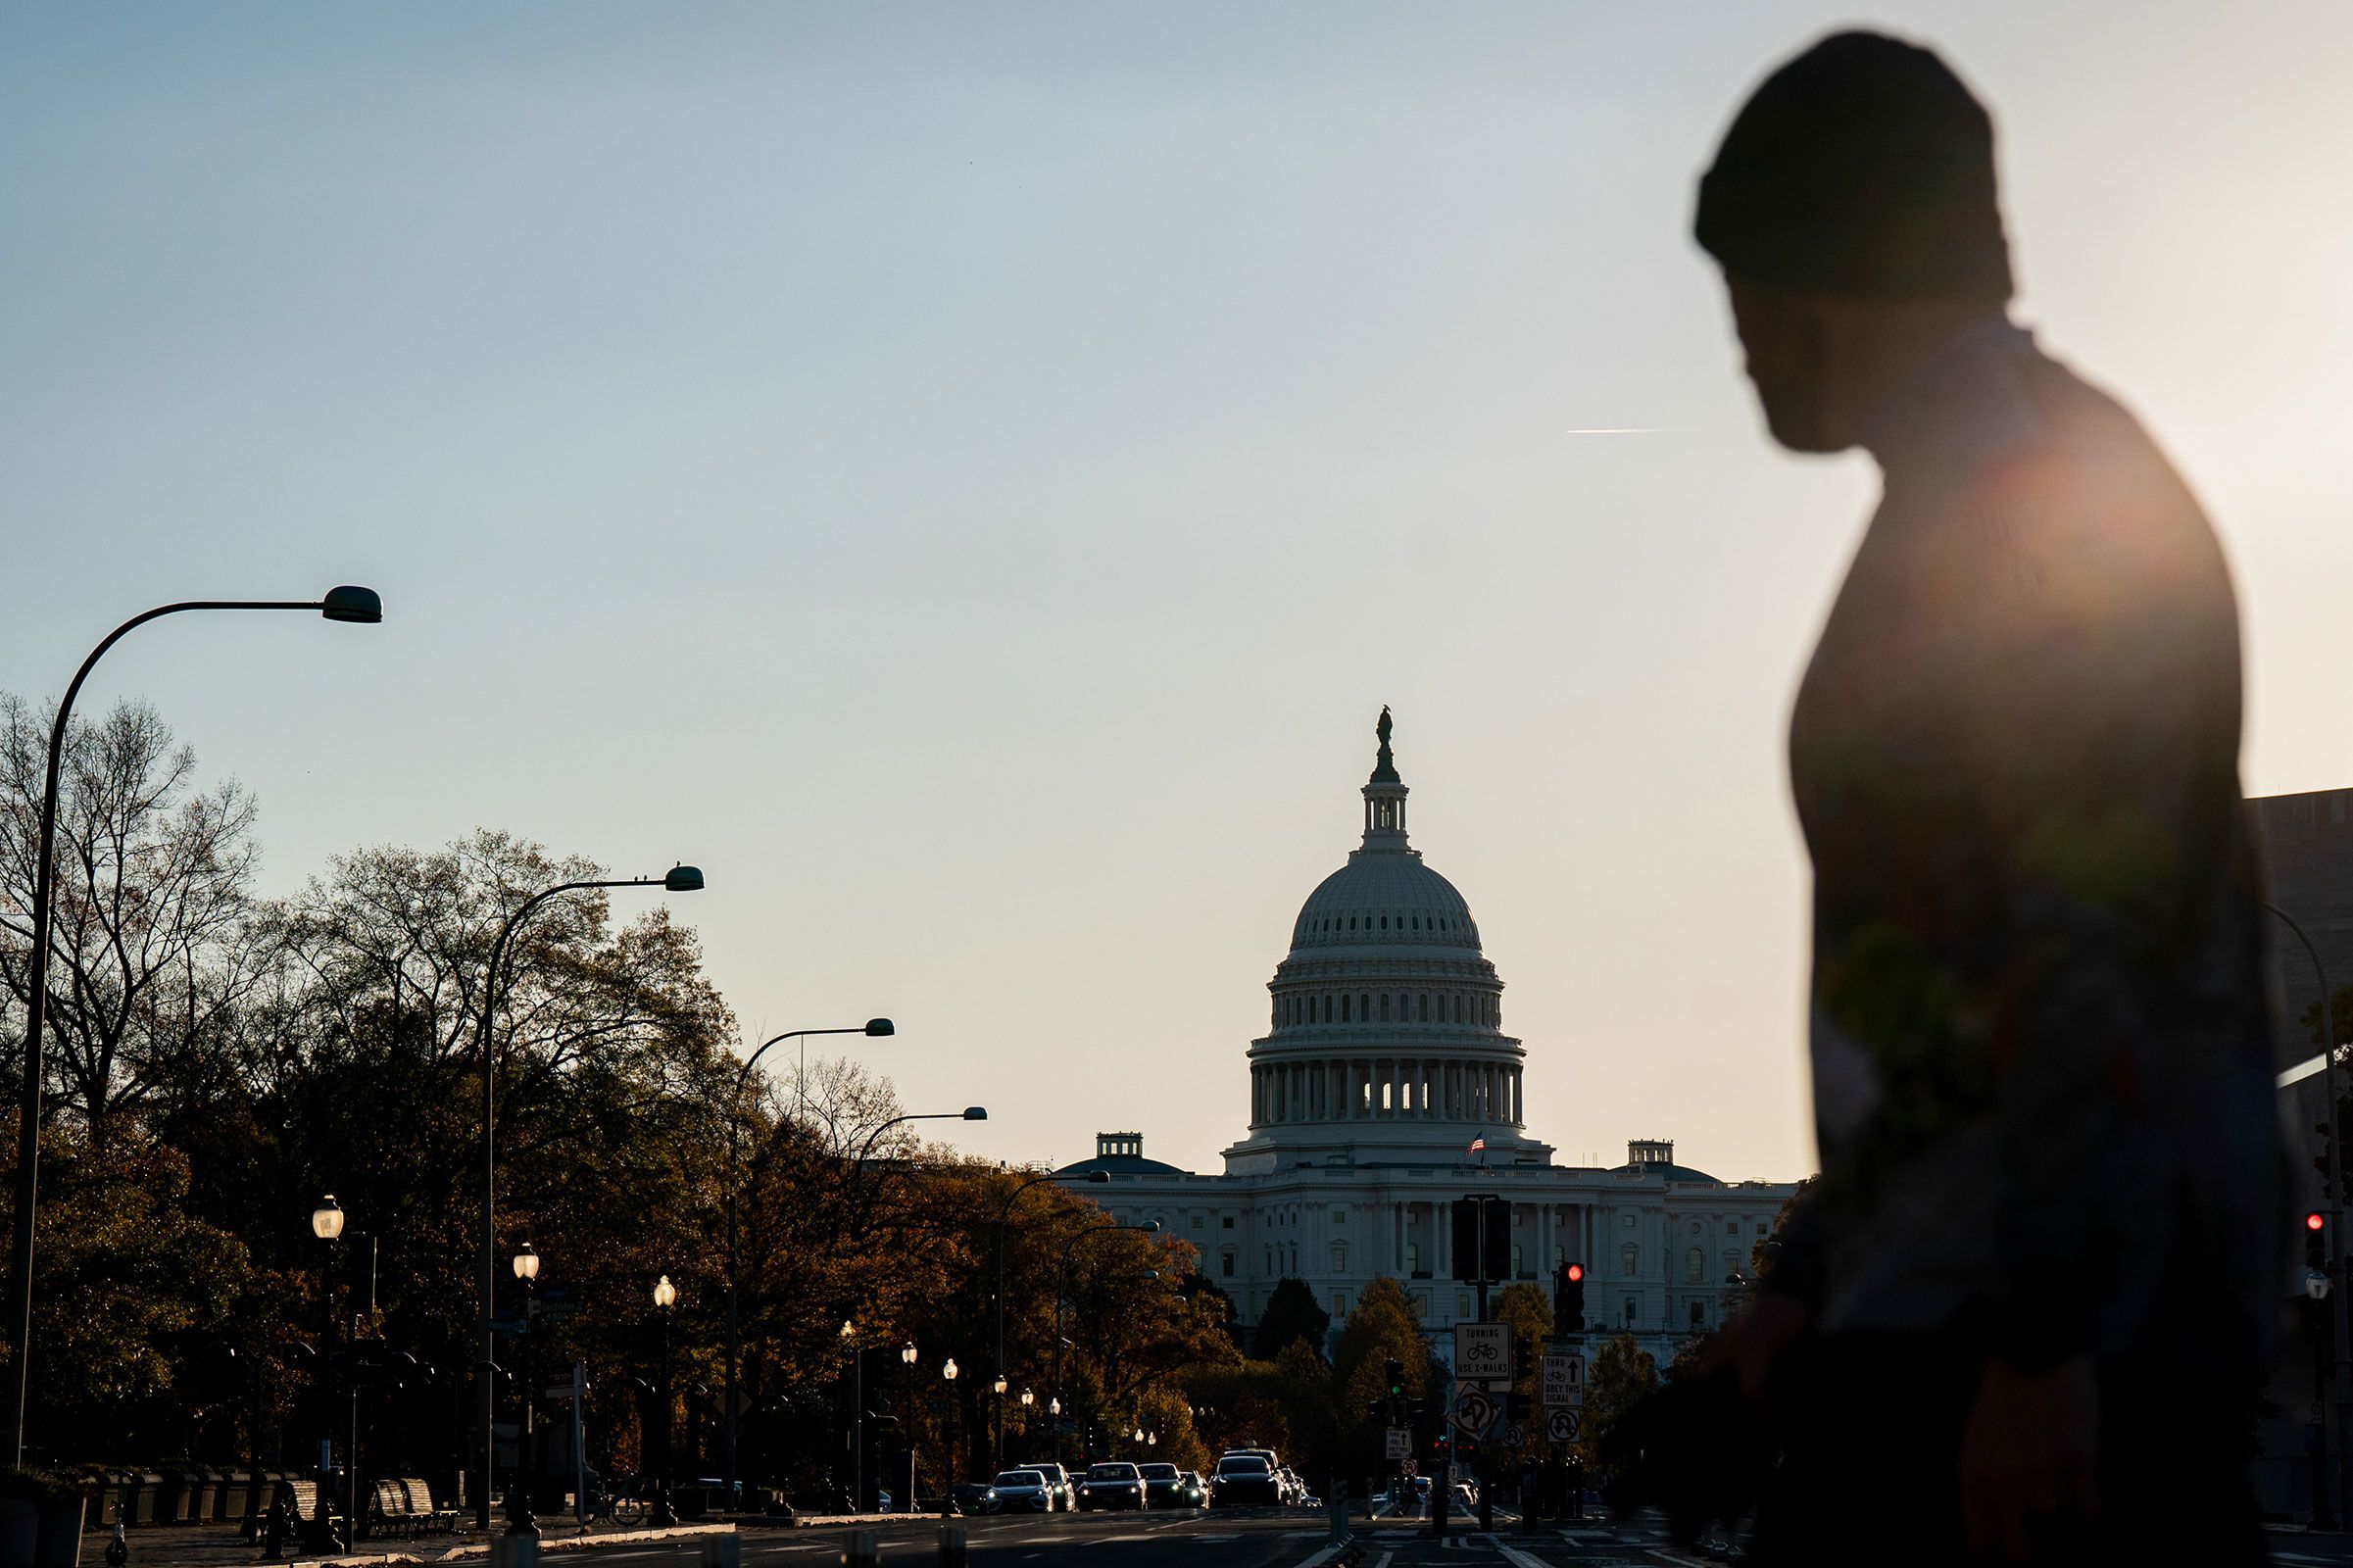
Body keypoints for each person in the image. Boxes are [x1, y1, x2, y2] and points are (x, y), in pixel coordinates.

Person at [1691, 30, 2287, 1566]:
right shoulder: (1963, 497)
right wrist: (1814, 1274)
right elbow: (1942, 990)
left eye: (1741, 285)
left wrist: (2043, 1340)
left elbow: (2089, 942)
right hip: (1956, 1307)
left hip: (2044, 1340)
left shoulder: (2036, 502)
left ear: (1827, 267)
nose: (1736, 339)